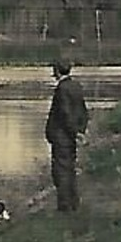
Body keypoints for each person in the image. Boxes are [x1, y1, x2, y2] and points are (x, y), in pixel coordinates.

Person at [46, 59, 90, 212]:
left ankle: (65, 206)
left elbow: (65, 113)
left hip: (62, 138)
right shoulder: (76, 86)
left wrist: (74, 132)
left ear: (57, 71)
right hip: (69, 138)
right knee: (70, 169)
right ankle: (73, 204)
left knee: (61, 172)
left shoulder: (62, 89)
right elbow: (83, 112)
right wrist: (81, 130)